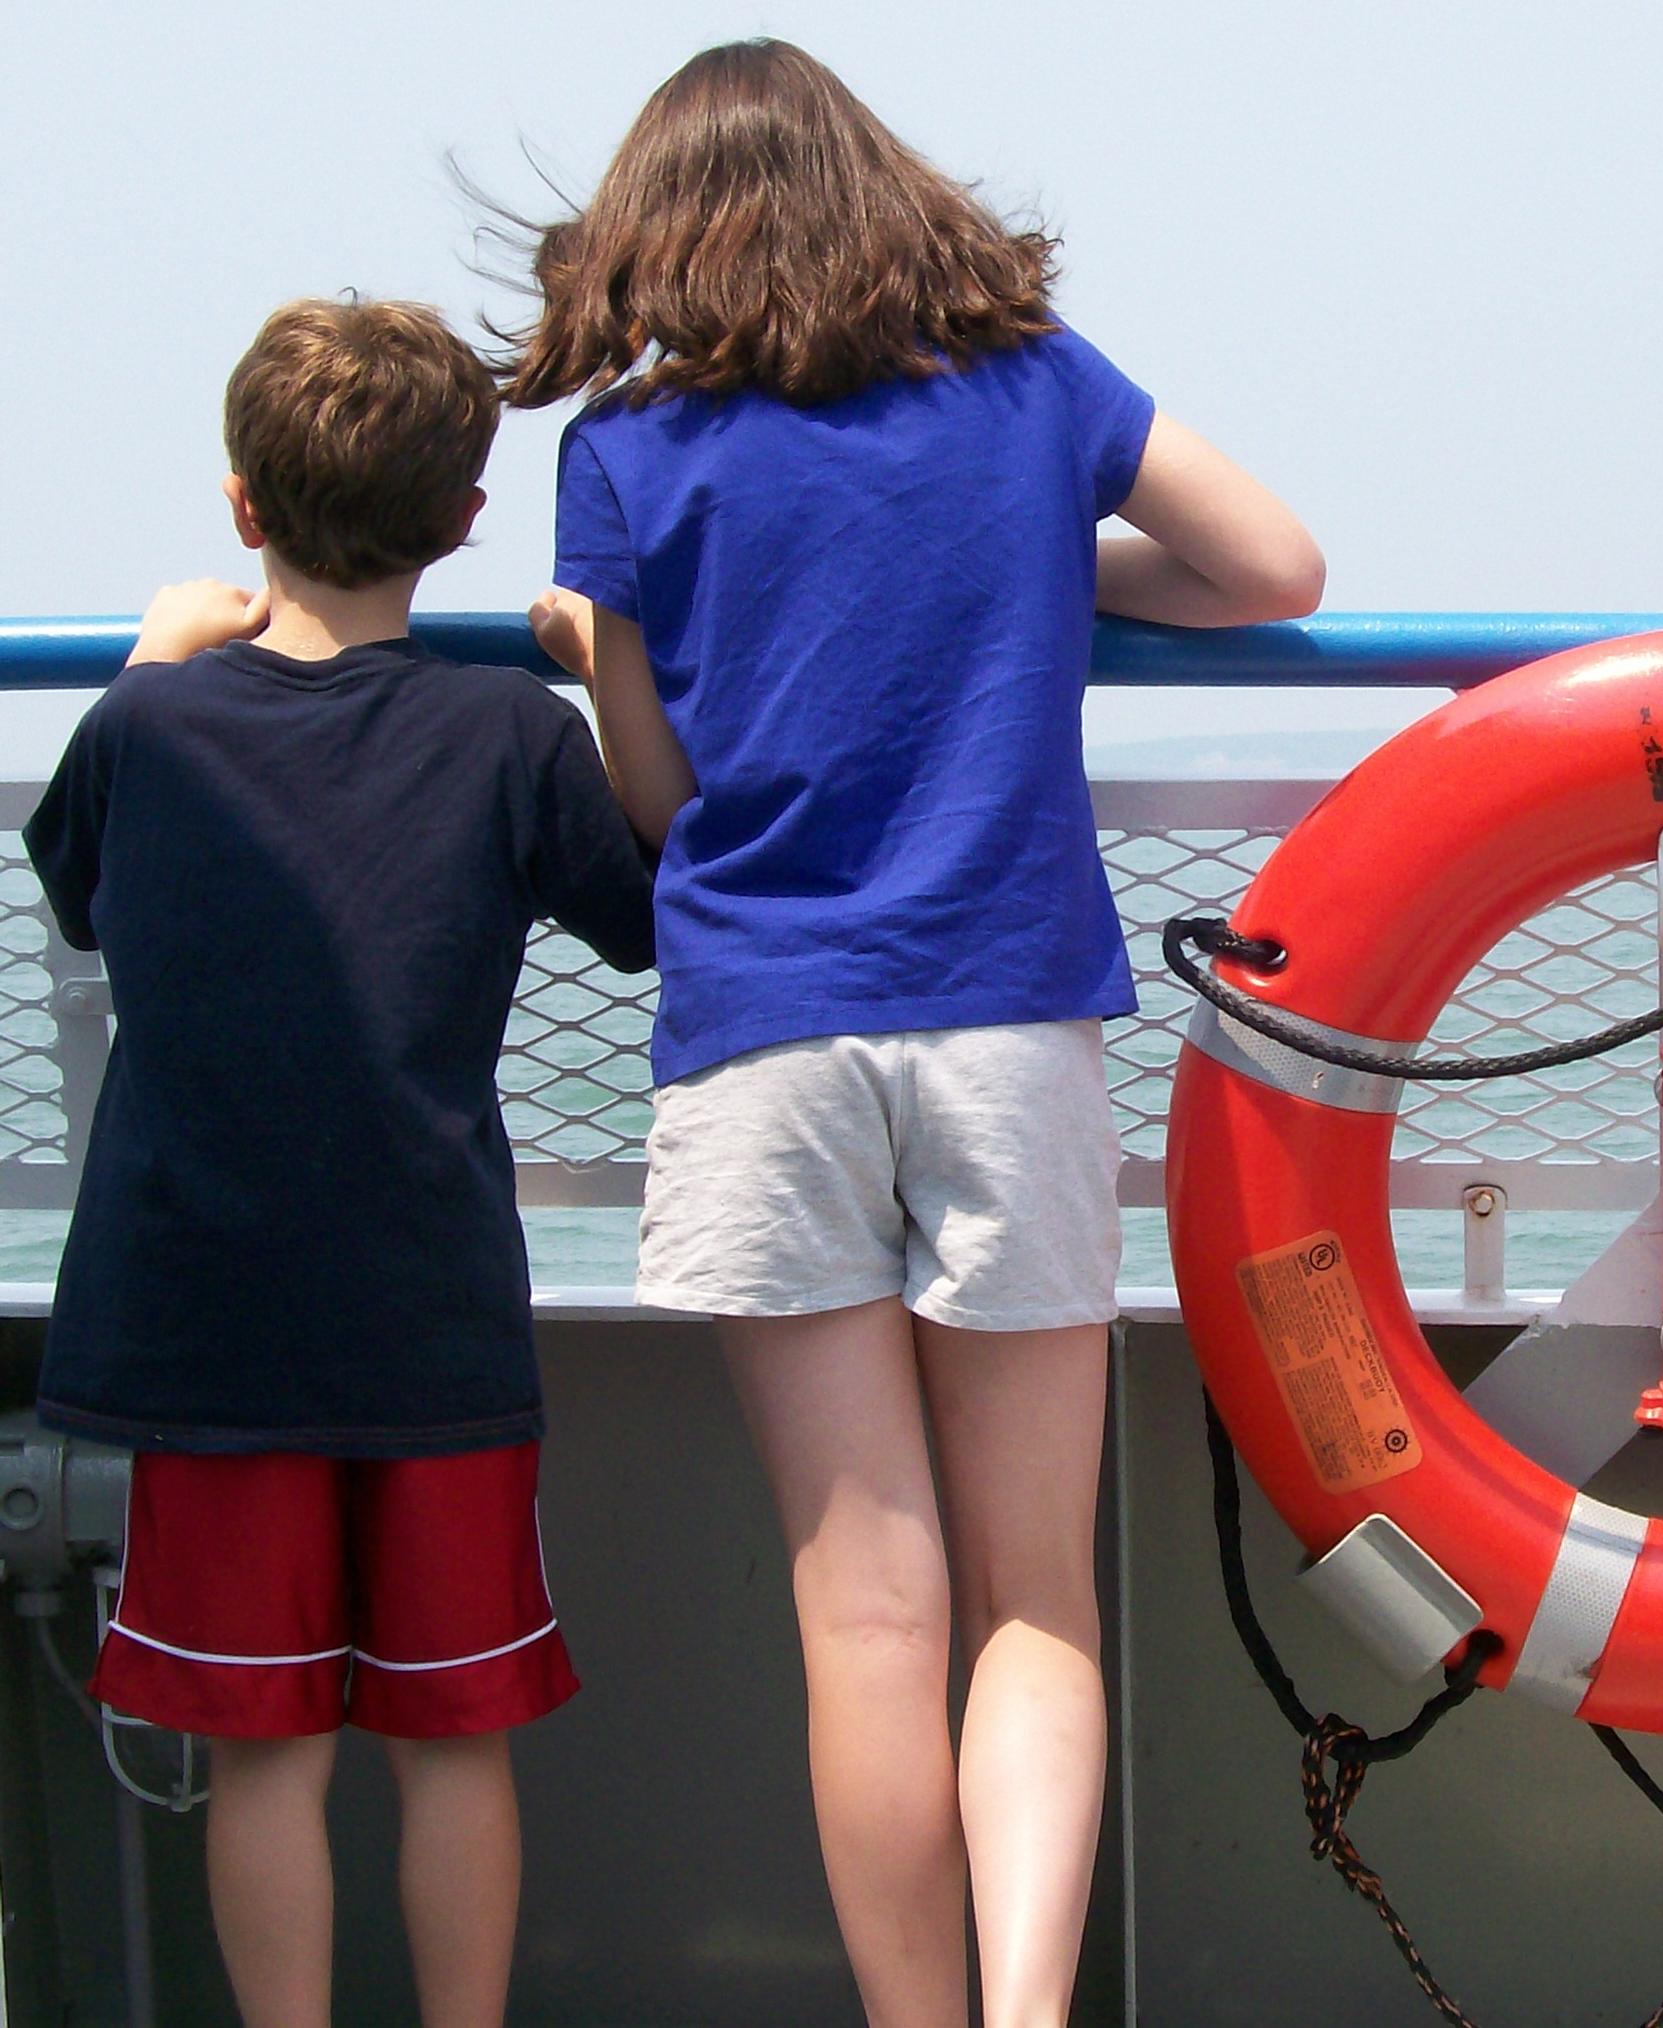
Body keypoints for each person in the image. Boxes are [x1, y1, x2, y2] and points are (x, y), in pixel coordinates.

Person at [501, 40, 1324, 2027]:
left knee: (867, 1613)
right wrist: (1050, 566)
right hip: (1006, 1018)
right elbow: (1277, 566)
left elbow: (651, 802)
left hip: (768, 1037)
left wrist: (587, 634)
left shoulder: (622, 451)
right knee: (1035, 1590)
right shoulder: (1032, 382)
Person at [27, 297, 655, 2028]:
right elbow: (645, 918)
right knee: (454, 1746)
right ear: (464, 519)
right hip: (430, 1322)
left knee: (263, 1760)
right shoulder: (512, 736)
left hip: (203, 1329)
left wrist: (153, 656)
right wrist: (599, 667)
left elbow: (73, 882)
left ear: (243, 506)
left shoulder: (149, 733)